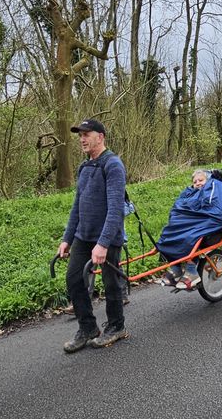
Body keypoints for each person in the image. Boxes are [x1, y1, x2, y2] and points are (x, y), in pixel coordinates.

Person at [57, 118, 128, 353]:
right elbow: (77, 205)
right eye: (80, 135)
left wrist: (103, 243)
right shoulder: (85, 167)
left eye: (87, 134)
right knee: (74, 279)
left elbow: (116, 208)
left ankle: (117, 326)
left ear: (101, 136)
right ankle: (88, 327)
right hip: (83, 236)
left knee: (111, 283)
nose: (82, 139)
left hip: (107, 237)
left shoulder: (113, 165)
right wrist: (67, 238)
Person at [158, 170, 209, 290]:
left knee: (189, 237)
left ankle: (192, 271)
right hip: (186, 222)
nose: (197, 183)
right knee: (167, 235)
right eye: (195, 181)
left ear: (208, 180)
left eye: (201, 180)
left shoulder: (210, 192)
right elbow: (178, 207)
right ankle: (176, 268)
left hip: (200, 224)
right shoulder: (188, 193)